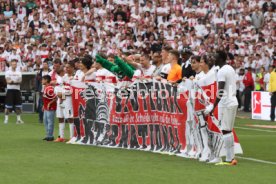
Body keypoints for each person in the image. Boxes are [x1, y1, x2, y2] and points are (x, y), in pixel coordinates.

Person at [205, 50, 238, 166]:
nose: (213, 58)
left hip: (227, 102)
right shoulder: (229, 68)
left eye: (215, 57)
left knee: (225, 130)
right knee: (227, 129)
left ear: (220, 58)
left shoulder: (222, 71)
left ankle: (230, 159)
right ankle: (231, 157)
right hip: (230, 101)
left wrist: (212, 106)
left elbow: (221, 90)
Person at [4, 59, 24, 124]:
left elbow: (20, 81)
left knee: (18, 106)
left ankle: (18, 120)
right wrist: (15, 82)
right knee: (8, 107)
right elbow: (8, 82)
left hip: (17, 91)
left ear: (16, 65)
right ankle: (6, 119)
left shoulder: (19, 72)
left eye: (15, 64)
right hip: (10, 91)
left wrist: (13, 81)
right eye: (13, 64)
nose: (14, 65)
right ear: (11, 64)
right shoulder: (7, 72)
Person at [42, 75, 57, 141]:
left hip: (50, 107)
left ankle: (50, 136)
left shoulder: (50, 88)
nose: (42, 81)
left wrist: (49, 103)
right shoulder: (46, 87)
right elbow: (46, 98)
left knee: (50, 121)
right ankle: (48, 135)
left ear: (46, 80)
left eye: (43, 79)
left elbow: (55, 97)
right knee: (45, 121)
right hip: (46, 107)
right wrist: (44, 105)